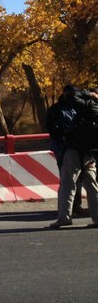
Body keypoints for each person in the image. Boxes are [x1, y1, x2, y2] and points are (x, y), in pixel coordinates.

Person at [48, 86, 98, 229]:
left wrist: (88, 93)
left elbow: (72, 95)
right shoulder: (94, 108)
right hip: (90, 152)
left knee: (67, 184)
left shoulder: (84, 104)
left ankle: (64, 217)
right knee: (92, 185)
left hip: (74, 149)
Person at [45, 95, 87, 217]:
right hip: (68, 147)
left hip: (61, 147)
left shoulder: (55, 109)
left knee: (66, 179)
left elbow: (50, 127)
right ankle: (73, 207)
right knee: (74, 179)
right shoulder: (73, 110)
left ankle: (66, 208)